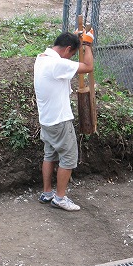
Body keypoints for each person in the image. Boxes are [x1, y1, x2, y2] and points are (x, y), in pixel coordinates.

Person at [33, 28, 94, 211]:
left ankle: (47, 192)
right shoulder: (57, 64)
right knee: (68, 158)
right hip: (60, 120)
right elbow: (88, 67)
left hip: (47, 119)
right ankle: (59, 198)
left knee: (50, 154)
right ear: (67, 49)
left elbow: (68, 62)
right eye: (72, 54)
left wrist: (77, 39)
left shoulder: (42, 58)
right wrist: (88, 46)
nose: (71, 58)